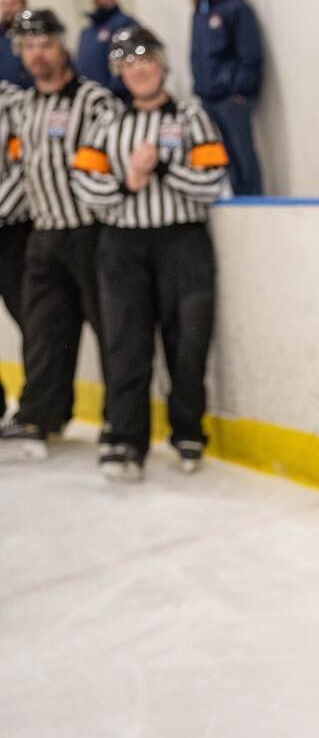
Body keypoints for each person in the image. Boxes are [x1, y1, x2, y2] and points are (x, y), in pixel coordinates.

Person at [70, 25, 228, 483]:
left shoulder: (191, 115)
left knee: (188, 341)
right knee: (126, 344)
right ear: (120, 72)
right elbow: (85, 184)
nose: (139, 69)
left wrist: (160, 167)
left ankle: (187, 430)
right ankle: (125, 438)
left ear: (161, 64)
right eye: (129, 63)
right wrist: (128, 182)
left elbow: (212, 179)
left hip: (182, 242)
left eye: (146, 60)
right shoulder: (107, 122)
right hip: (122, 246)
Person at [0, 9, 118, 457]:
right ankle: (39, 416)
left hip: (89, 233)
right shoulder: (24, 107)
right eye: (27, 47)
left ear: (62, 45)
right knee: (44, 332)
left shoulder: (95, 101)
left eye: (43, 44)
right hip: (42, 234)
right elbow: (20, 171)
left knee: (111, 331)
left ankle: (119, 421)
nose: (36, 55)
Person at [190, 0, 264, 195]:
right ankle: (238, 200)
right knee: (224, 156)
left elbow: (250, 51)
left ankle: (254, 200)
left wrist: (241, 89)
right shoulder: (199, 13)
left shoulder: (235, 7)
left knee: (244, 154)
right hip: (208, 96)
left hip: (231, 96)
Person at [0, 80, 30, 421]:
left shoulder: (15, 102)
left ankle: (39, 408)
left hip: (12, 231)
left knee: (31, 320)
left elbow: (26, 166)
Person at [75, 0, 134, 98]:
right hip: (89, 99)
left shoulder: (124, 25)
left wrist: (112, 90)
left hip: (116, 98)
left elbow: (130, 63)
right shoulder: (87, 32)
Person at [0, 0, 33, 92]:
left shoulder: (39, 35)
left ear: (24, 5)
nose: (8, 8)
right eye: (4, 4)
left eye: (13, 3)